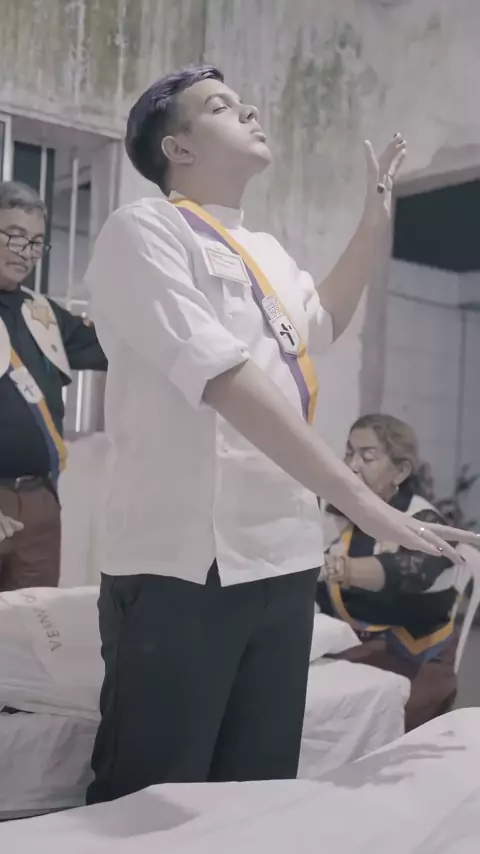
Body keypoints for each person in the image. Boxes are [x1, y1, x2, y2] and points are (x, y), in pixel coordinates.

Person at [84, 64, 476, 804]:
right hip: (184, 563)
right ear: (178, 148)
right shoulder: (145, 231)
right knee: (151, 798)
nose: (250, 110)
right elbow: (226, 378)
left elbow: (322, 320)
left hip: (283, 558)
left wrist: (375, 216)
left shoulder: (263, 248)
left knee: (257, 791)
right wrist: (363, 501)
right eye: (221, 106)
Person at [317, 414, 460, 731]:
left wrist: (333, 568)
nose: (352, 466)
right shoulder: (350, 515)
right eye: (349, 454)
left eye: (367, 457)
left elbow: (407, 572)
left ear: (401, 471)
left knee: (334, 714)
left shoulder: (425, 521)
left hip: (418, 662)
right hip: (360, 650)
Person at [0, 181, 107, 590]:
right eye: (15, 236)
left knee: (35, 621)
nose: (25, 252)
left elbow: (111, 348)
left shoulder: (42, 312)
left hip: (40, 501)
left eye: (35, 242)